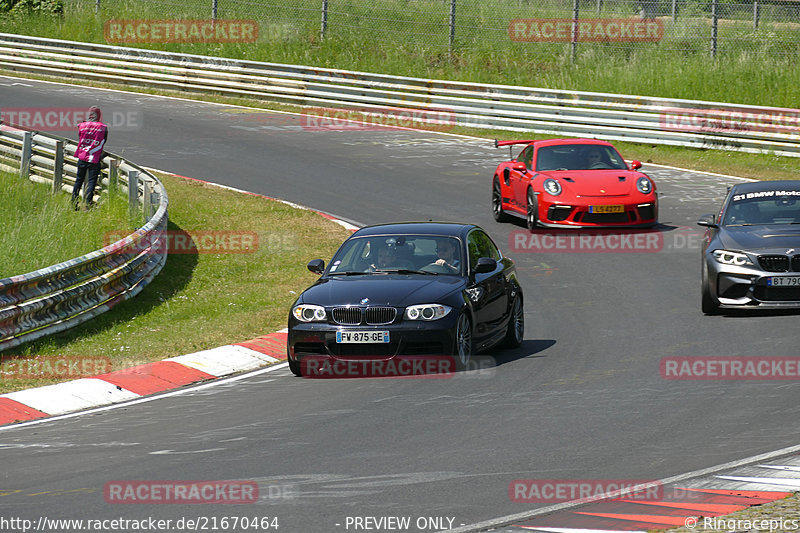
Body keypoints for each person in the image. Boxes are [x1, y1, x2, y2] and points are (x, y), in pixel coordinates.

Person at [72, 106, 108, 210]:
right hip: (94, 157)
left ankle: (73, 203)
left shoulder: (82, 125)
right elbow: (104, 140)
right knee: (92, 181)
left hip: (82, 156)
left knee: (78, 180)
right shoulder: (103, 127)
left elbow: (80, 138)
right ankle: (88, 204)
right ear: (99, 115)